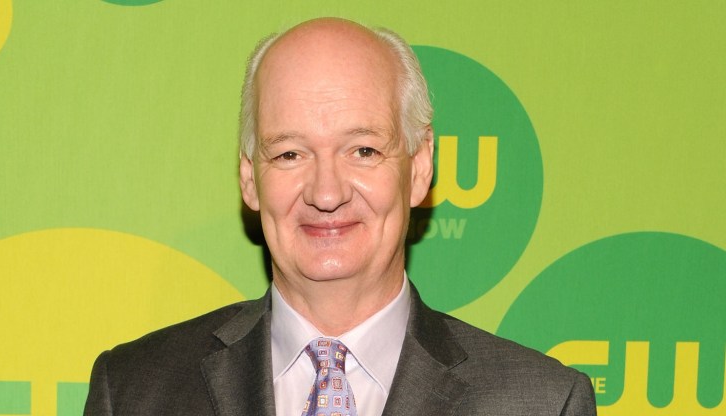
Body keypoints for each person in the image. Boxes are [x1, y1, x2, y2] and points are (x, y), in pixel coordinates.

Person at [84, 17, 597, 416]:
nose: (326, 194)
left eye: (363, 150)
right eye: (290, 154)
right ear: (249, 178)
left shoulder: (542, 403)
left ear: (420, 167)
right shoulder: (133, 390)